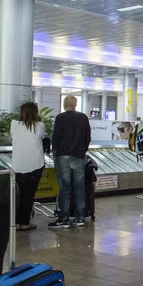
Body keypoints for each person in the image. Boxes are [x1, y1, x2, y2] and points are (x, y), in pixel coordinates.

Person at [49, 95, 91, 229]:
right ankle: (80, 217)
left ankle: (64, 218)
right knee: (79, 187)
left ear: (64, 104)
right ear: (76, 104)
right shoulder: (83, 117)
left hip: (63, 156)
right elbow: (87, 137)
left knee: (65, 188)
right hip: (78, 156)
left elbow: (56, 136)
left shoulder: (60, 118)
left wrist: (55, 154)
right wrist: (83, 151)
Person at [10, 102, 46, 231]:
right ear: (35, 112)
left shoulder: (14, 125)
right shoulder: (40, 126)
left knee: (17, 196)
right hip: (36, 165)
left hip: (18, 166)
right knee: (28, 196)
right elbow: (43, 137)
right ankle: (24, 222)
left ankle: (14, 222)